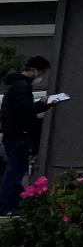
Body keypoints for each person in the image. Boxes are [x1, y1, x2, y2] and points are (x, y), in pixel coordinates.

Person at [0, 55, 51, 215]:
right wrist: (43, 104)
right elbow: (25, 110)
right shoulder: (22, 86)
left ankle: (12, 204)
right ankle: (7, 206)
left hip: (12, 135)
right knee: (14, 172)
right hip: (17, 136)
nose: (41, 77)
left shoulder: (16, 85)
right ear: (34, 70)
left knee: (15, 172)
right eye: (41, 72)